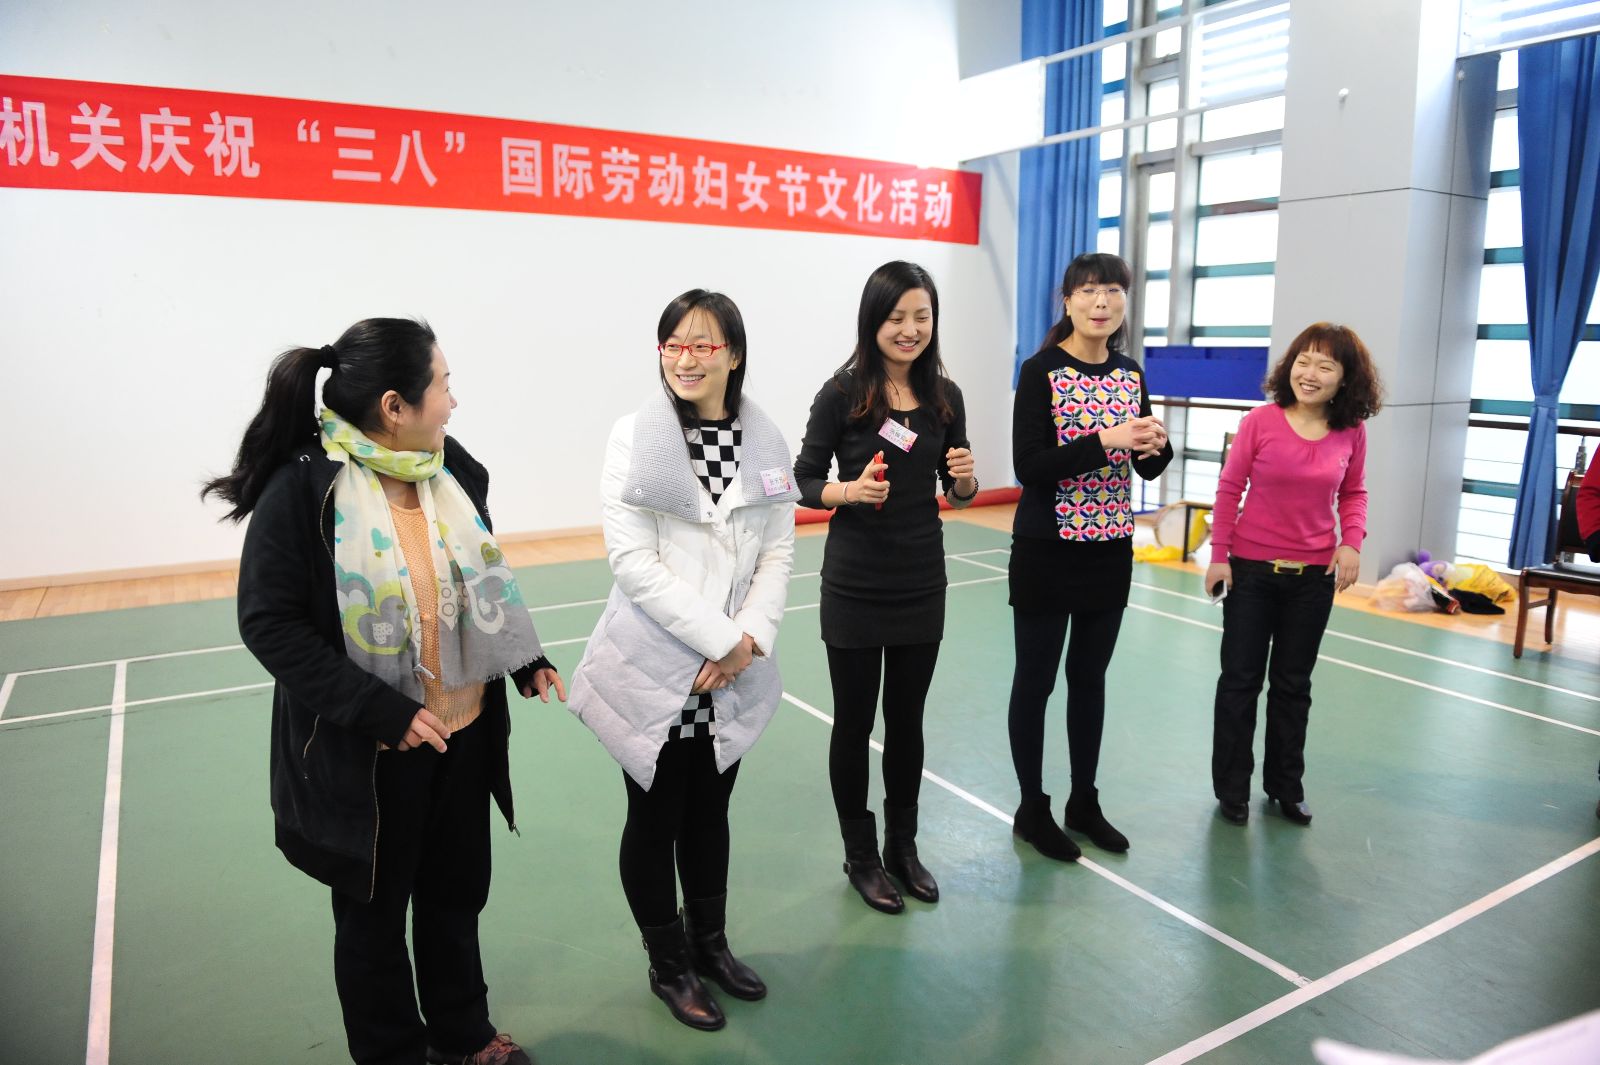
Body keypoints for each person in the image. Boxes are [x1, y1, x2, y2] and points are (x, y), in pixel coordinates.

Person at [205, 318, 564, 1065]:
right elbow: (269, 623)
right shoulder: (305, 487)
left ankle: (463, 1036)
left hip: (463, 733)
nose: (454, 401)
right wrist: (382, 711)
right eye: (444, 385)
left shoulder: (450, 468)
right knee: (372, 921)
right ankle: (393, 1053)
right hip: (370, 751)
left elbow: (474, 582)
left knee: (455, 896)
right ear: (395, 406)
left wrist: (523, 658)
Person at [567, 289, 798, 1032]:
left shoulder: (765, 441)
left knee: (711, 811)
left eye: (703, 343)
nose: (685, 358)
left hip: (730, 671)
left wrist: (748, 639)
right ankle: (669, 966)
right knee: (656, 815)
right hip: (659, 665)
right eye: (673, 343)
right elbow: (632, 562)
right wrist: (721, 640)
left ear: (734, 353)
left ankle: (711, 946)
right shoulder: (636, 437)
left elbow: (778, 551)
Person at [794, 260, 976, 914]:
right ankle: (861, 856)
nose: (910, 329)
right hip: (855, 582)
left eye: (921, 316)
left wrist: (964, 479)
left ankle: (904, 846)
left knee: (907, 721)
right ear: (873, 320)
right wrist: (849, 492)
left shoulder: (945, 395)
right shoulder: (841, 393)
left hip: (921, 578)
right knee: (854, 721)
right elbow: (802, 478)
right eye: (897, 317)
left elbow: (958, 492)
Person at [1007, 252, 1173, 862]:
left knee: (1089, 679)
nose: (1102, 302)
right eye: (1089, 291)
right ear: (1068, 300)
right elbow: (1030, 466)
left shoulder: (1129, 373)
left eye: (1113, 291)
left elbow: (1145, 465)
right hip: (1048, 549)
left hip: (1109, 549)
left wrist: (1157, 446)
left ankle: (1084, 801)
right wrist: (1106, 440)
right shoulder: (1041, 371)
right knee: (1036, 681)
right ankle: (1032, 808)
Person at [1207, 322, 1382, 827]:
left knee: (1293, 685)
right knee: (1240, 682)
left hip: (1312, 579)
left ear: (1345, 378)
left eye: (1326, 366)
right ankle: (1232, 789)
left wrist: (1351, 542)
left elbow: (1354, 491)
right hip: (1251, 573)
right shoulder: (1260, 422)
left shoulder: (1352, 431)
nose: (1310, 373)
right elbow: (1229, 488)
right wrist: (1219, 555)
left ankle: (1285, 786)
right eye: (1304, 361)